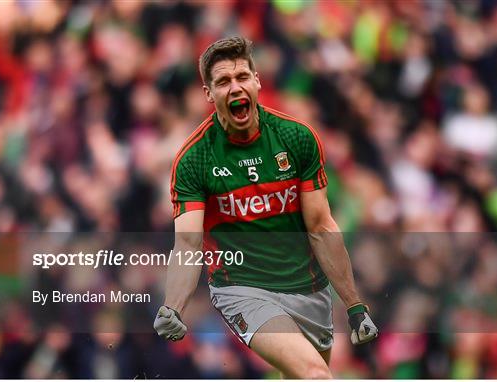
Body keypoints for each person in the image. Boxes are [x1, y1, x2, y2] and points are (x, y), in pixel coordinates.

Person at [154, 37, 378, 378]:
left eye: (242, 77)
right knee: (316, 375)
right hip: (242, 288)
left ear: (257, 81)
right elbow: (187, 243)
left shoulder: (297, 138)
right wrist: (173, 305)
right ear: (208, 94)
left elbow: (320, 227)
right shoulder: (193, 160)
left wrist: (354, 305)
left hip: (308, 287)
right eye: (223, 82)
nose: (235, 87)